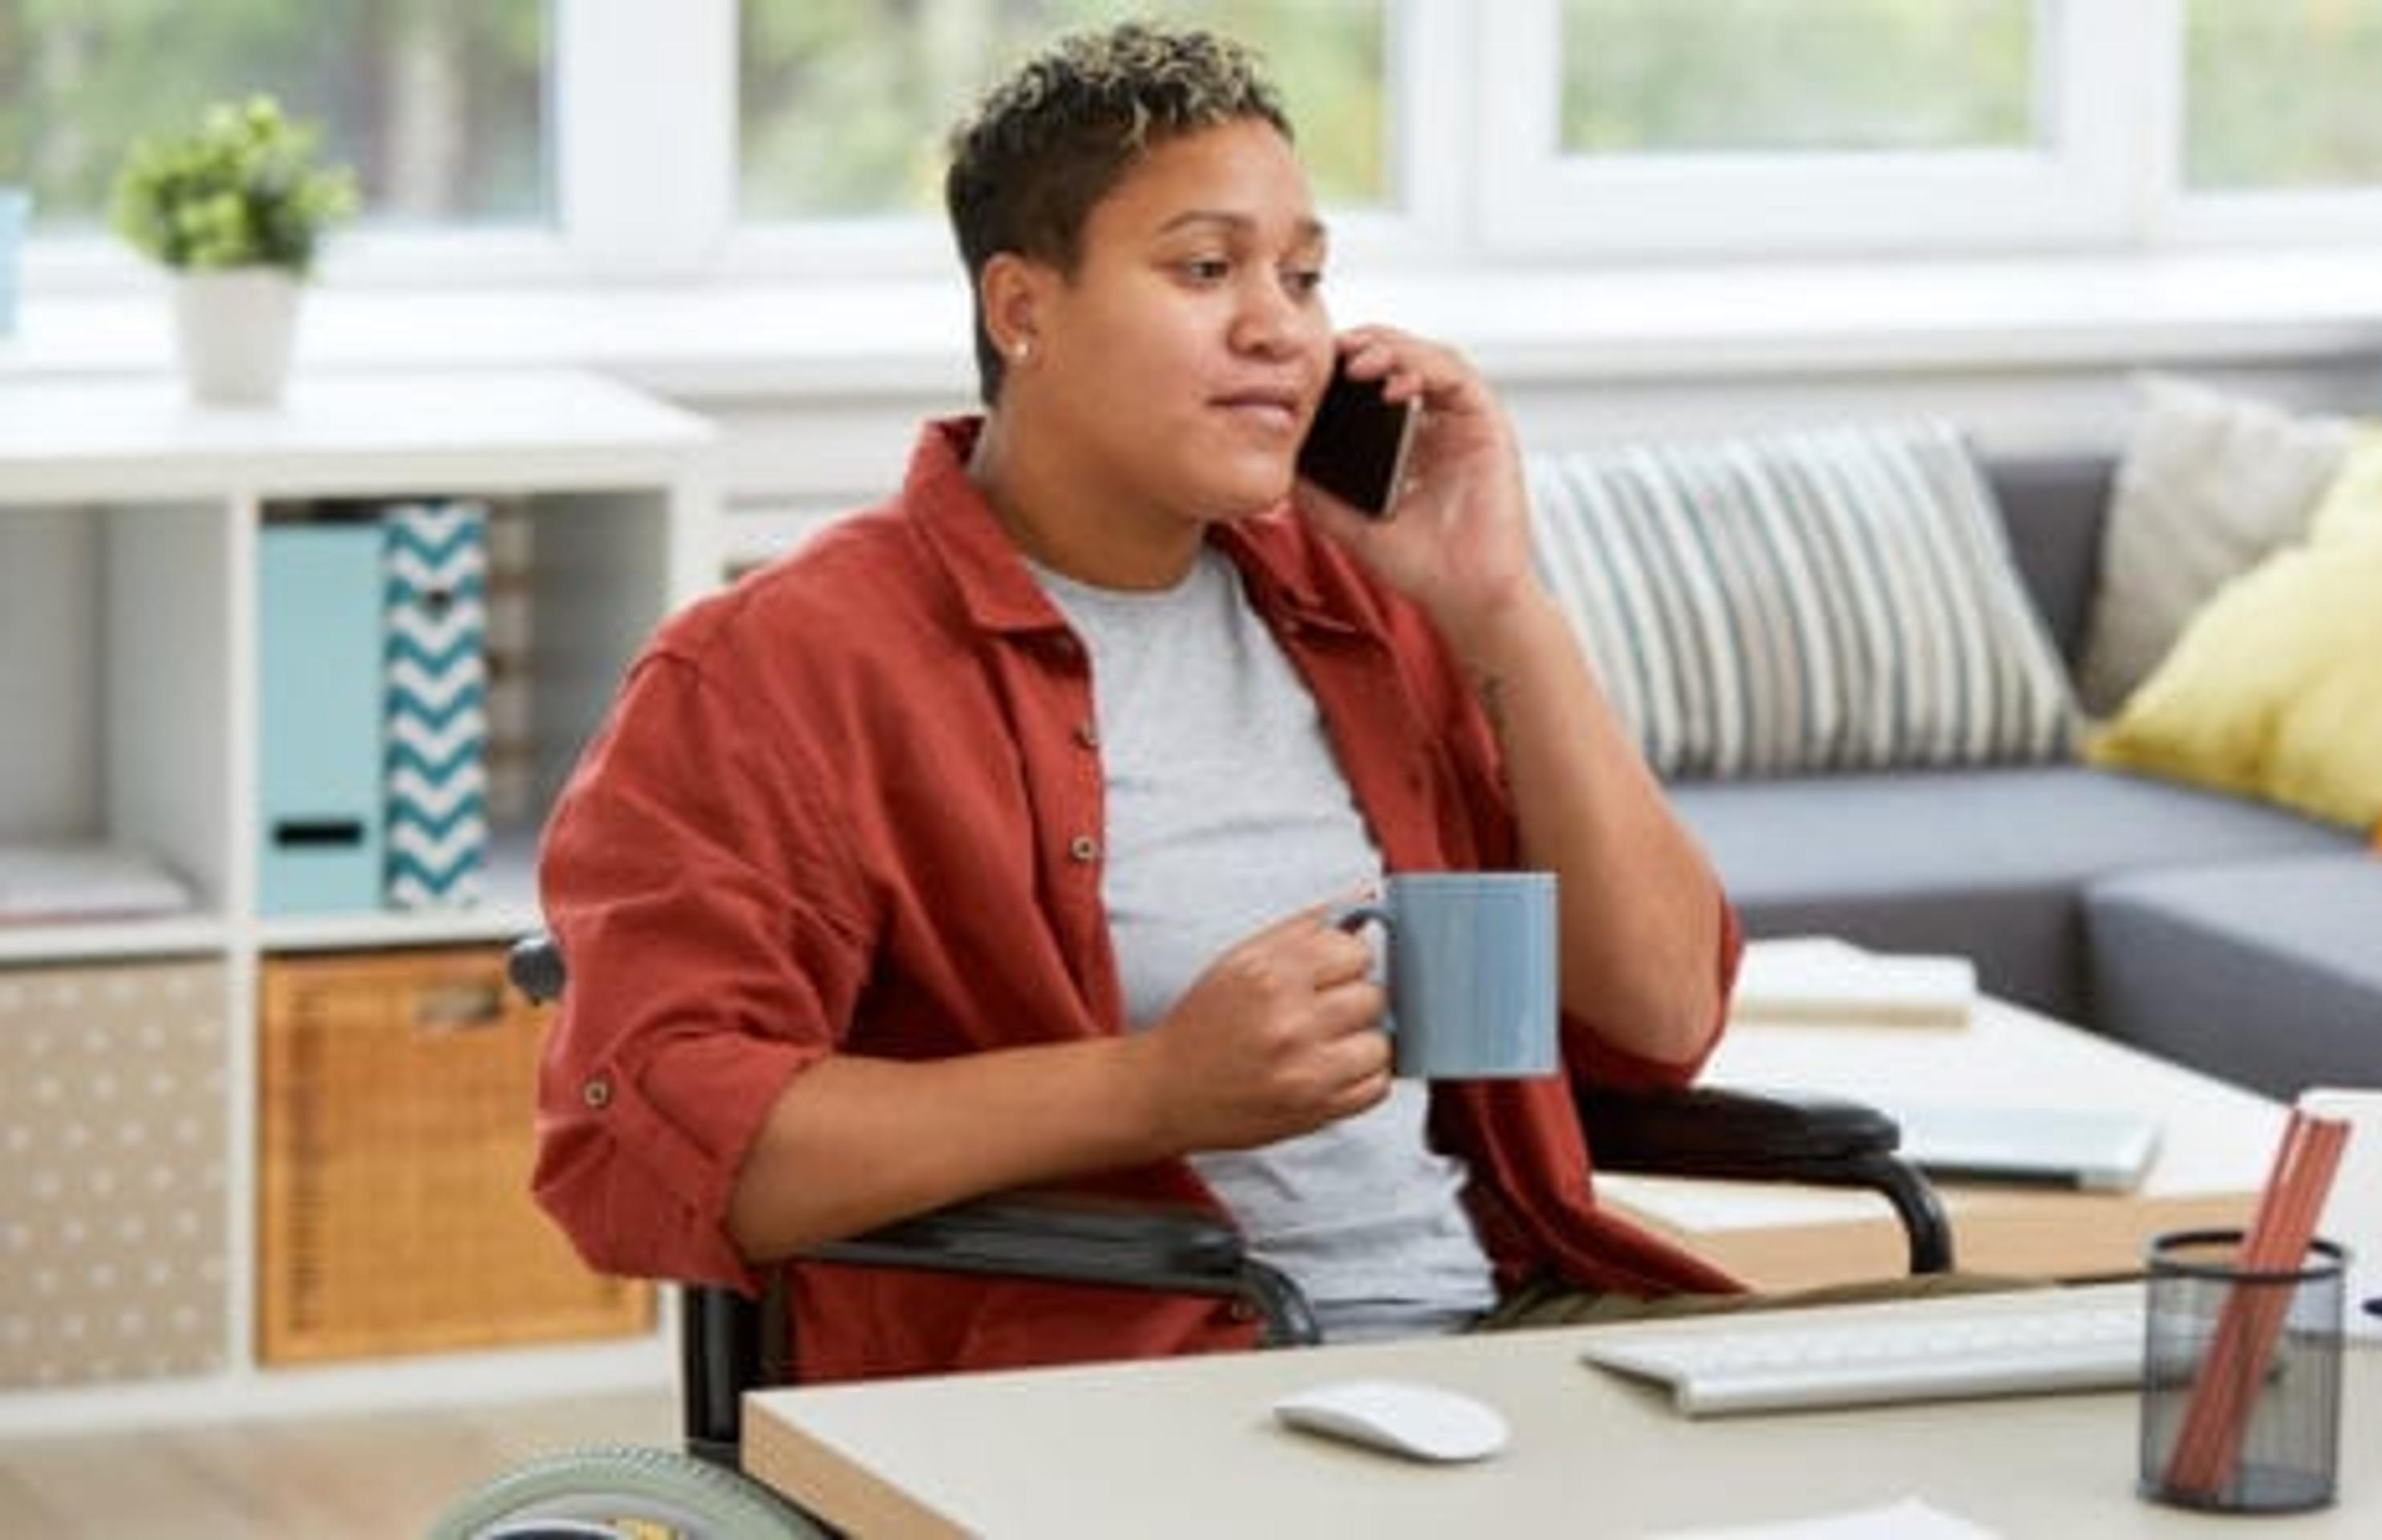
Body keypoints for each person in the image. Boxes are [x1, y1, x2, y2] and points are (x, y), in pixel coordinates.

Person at [529, 22, 1751, 1384]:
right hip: (1150, 1388)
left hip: (1500, 1337)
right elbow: (638, 1145)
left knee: (2008, 1408)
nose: (1278, 327)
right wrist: (1154, 1088)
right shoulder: (779, 672)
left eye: (1304, 276)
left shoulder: (1360, 607)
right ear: (1021, 309)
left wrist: (1498, 602)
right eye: (1205, 268)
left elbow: (1660, 1017)